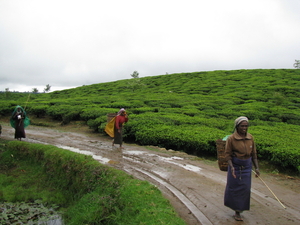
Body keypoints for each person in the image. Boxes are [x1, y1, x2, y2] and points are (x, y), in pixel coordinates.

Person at [224, 116, 260, 221]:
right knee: (235, 189)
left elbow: (254, 154)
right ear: (237, 126)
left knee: (245, 189)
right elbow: (228, 155)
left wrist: (257, 168)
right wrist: (231, 167)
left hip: (247, 167)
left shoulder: (250, 137)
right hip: (235, 166)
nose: (244, 128)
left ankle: (240, 209)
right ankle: (237, 211)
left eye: (246, 126)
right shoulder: (231, 139)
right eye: (242, 126)